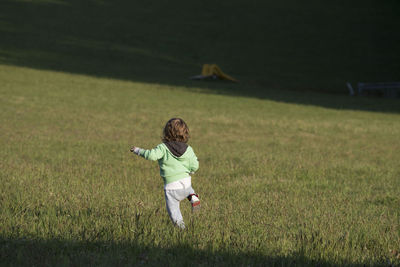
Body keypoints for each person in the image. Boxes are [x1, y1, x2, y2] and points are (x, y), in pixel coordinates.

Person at [130, 118, 200, 229]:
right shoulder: (188, 149)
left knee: (174, 210)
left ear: (166, 133)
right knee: (188, 187)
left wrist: (138, 150)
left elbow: (151, 155)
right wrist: (192, 170)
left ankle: (182, 229)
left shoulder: (163, 148)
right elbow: (195, 165)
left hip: (172, 187)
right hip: (186, 184)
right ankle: (193, 197)